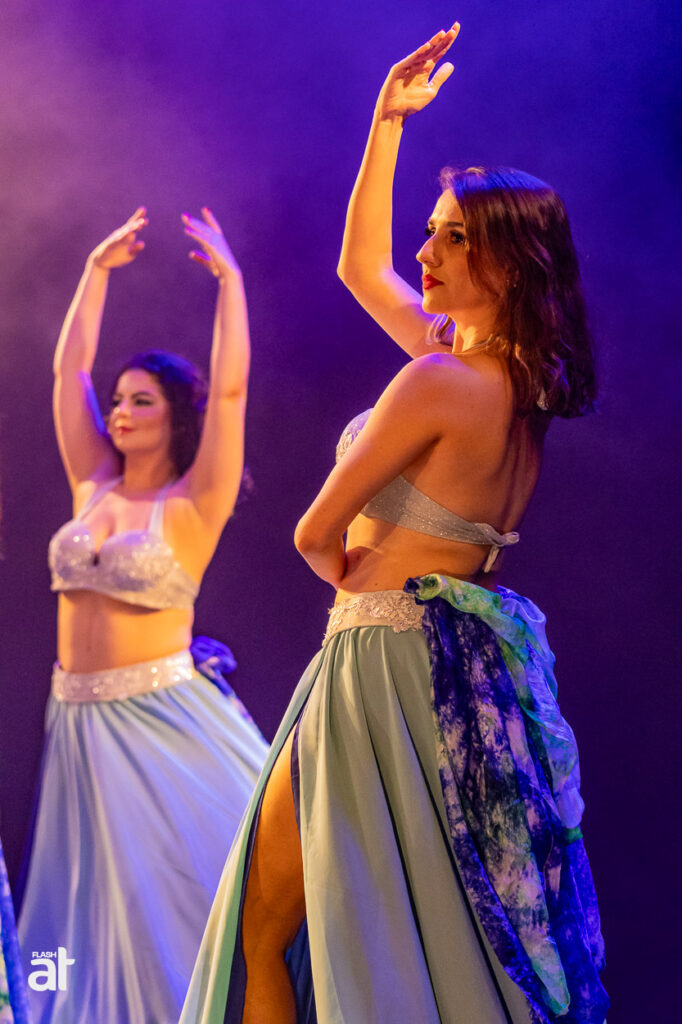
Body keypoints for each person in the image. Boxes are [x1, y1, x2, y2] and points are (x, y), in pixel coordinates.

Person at [180, 24, 609, 1024]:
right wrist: (386, 123)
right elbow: (360, 264)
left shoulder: (440, 379)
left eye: (453, 237)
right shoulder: (517, 384)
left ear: (510, 260)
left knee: (274, 924)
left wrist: (354, 576)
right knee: (418, 917)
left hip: (378, 660)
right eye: (432, 231)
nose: (426, 252)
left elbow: (311, 533)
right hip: (454, 666)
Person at [17, 207, 269, 1023]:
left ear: (174, 415)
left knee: (171, 902)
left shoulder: (195, 502)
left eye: (141, 401)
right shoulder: (93, 484)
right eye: (118, 400)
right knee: (79, 910)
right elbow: (68, 373)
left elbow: (230, 390)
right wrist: (95, 274)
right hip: (78, 722)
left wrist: (231, 284)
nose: (120, 412)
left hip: (162, 720)